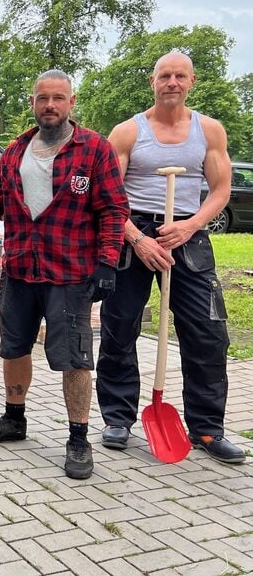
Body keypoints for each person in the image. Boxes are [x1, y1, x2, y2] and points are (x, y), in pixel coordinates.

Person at [0, 69, 129, 480]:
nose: (50, 105)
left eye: (58, 98)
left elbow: (115, 210)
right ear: (33, 102)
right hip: (21, 270)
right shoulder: (15, 151)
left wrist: (107, 262)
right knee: (13, 347)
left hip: (70, 274)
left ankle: (78, 438)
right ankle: (15, 417)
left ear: (71, 102)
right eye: (43, 98)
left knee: (74, 358)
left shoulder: (94, 149)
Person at [96, 52, 244, 464]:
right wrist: (138, 239)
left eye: (180, 75)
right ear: (153, 81)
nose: (172, 82)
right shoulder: (127, 132)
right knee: (119, 326)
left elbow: (219, 190)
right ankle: (117, 419)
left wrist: (190, 225)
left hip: (187, 235)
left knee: (207, 332)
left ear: (191, 81)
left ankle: (207, 429)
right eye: (165, 75)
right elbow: (107, 196)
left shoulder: (210, 131)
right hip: (133, 233)